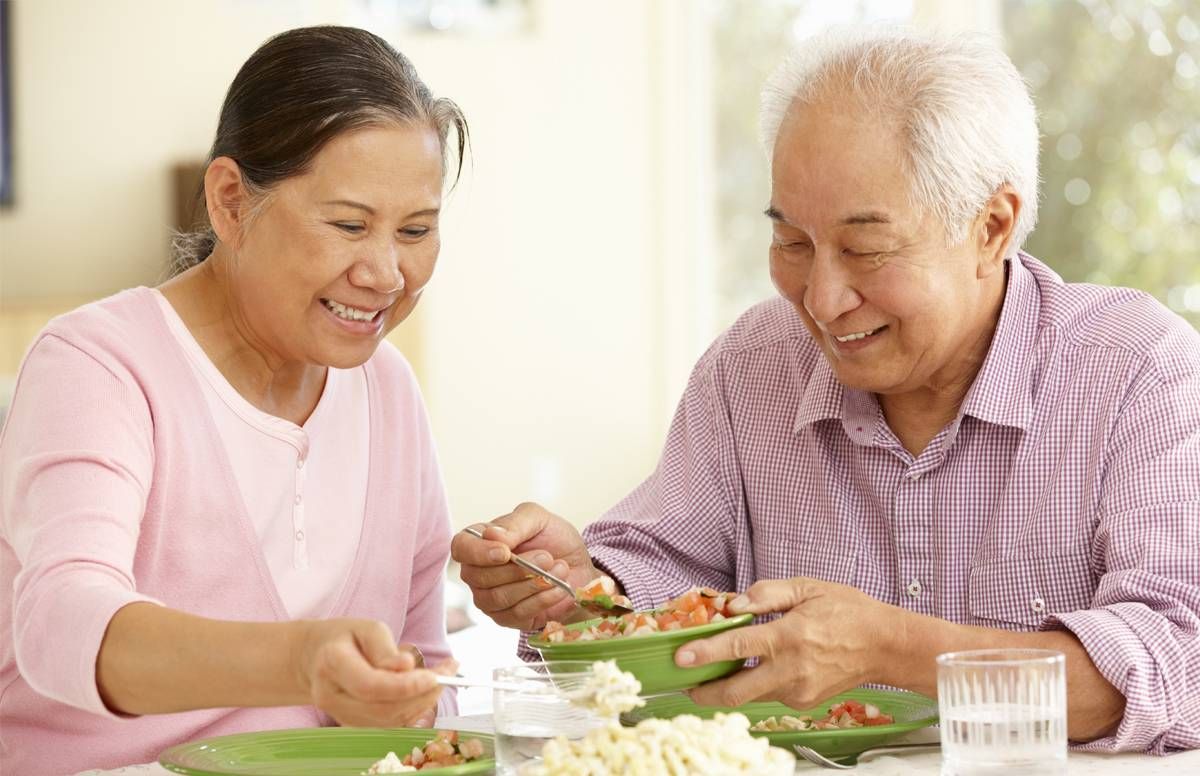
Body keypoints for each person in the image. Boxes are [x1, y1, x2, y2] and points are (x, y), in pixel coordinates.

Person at [454, 26, 1200, 754]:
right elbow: (665, 569)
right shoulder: (749, 369)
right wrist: (581, 586)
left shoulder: (1139, 372)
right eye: (792, 244)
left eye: (865, 249)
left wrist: (893, 649)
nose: (821, 297)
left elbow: (1175, 665)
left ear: (992, 228)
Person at [0, 26, 468, 774]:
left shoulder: (388, 391)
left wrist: (408, 695)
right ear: (228, 202)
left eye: (416, 230)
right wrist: (300, 662)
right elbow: (59, 624)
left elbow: (428, 675)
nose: (386, 274)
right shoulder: (99, 364)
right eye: (349, 225)